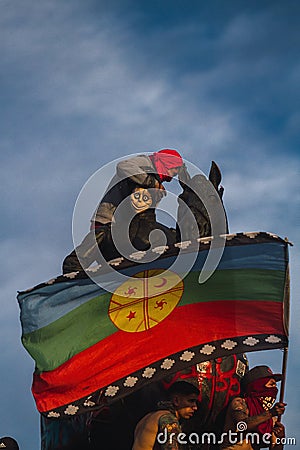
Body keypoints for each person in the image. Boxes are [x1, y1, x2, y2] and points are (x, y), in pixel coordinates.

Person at [62, 149, 184, 274]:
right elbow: (123, 166)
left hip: (132, 226)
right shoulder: (145, 163)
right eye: (174, 169)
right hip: (110, 217)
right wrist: (150, 182)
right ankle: (76, 265)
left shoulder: (156, 182)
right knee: (102, 236)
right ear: (168, 163)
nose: (174, 174)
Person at [220, 365, 286, 450]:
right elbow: (242, 425)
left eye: (275, 386)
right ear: (258, 386)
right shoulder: (239, 403)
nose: (275, 389)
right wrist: (270, 413)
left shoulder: (272, 420)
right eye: (271, 384)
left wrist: (280, 439)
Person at [132, 380, 199, 450]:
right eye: (191, 401)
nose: (195, 407)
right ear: (176, 400)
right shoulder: (168, 419)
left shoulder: (148, 417)